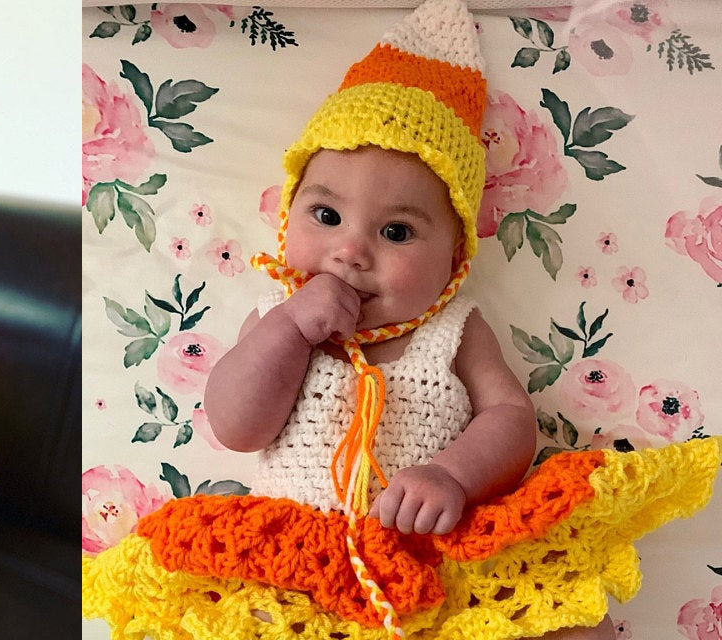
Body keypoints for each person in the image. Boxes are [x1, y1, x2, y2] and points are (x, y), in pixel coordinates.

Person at [81, 1, 717, 639]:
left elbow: (510, 418)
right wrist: (290, 329)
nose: (351, 250)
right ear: (288, 215)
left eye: (397, 231)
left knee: (561, 619)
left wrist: (453, 476)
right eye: (326, 216)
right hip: (293, 558)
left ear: (455, 258)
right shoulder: (276, 317)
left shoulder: (453, 330)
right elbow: (237, 427)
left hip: (433, 549)